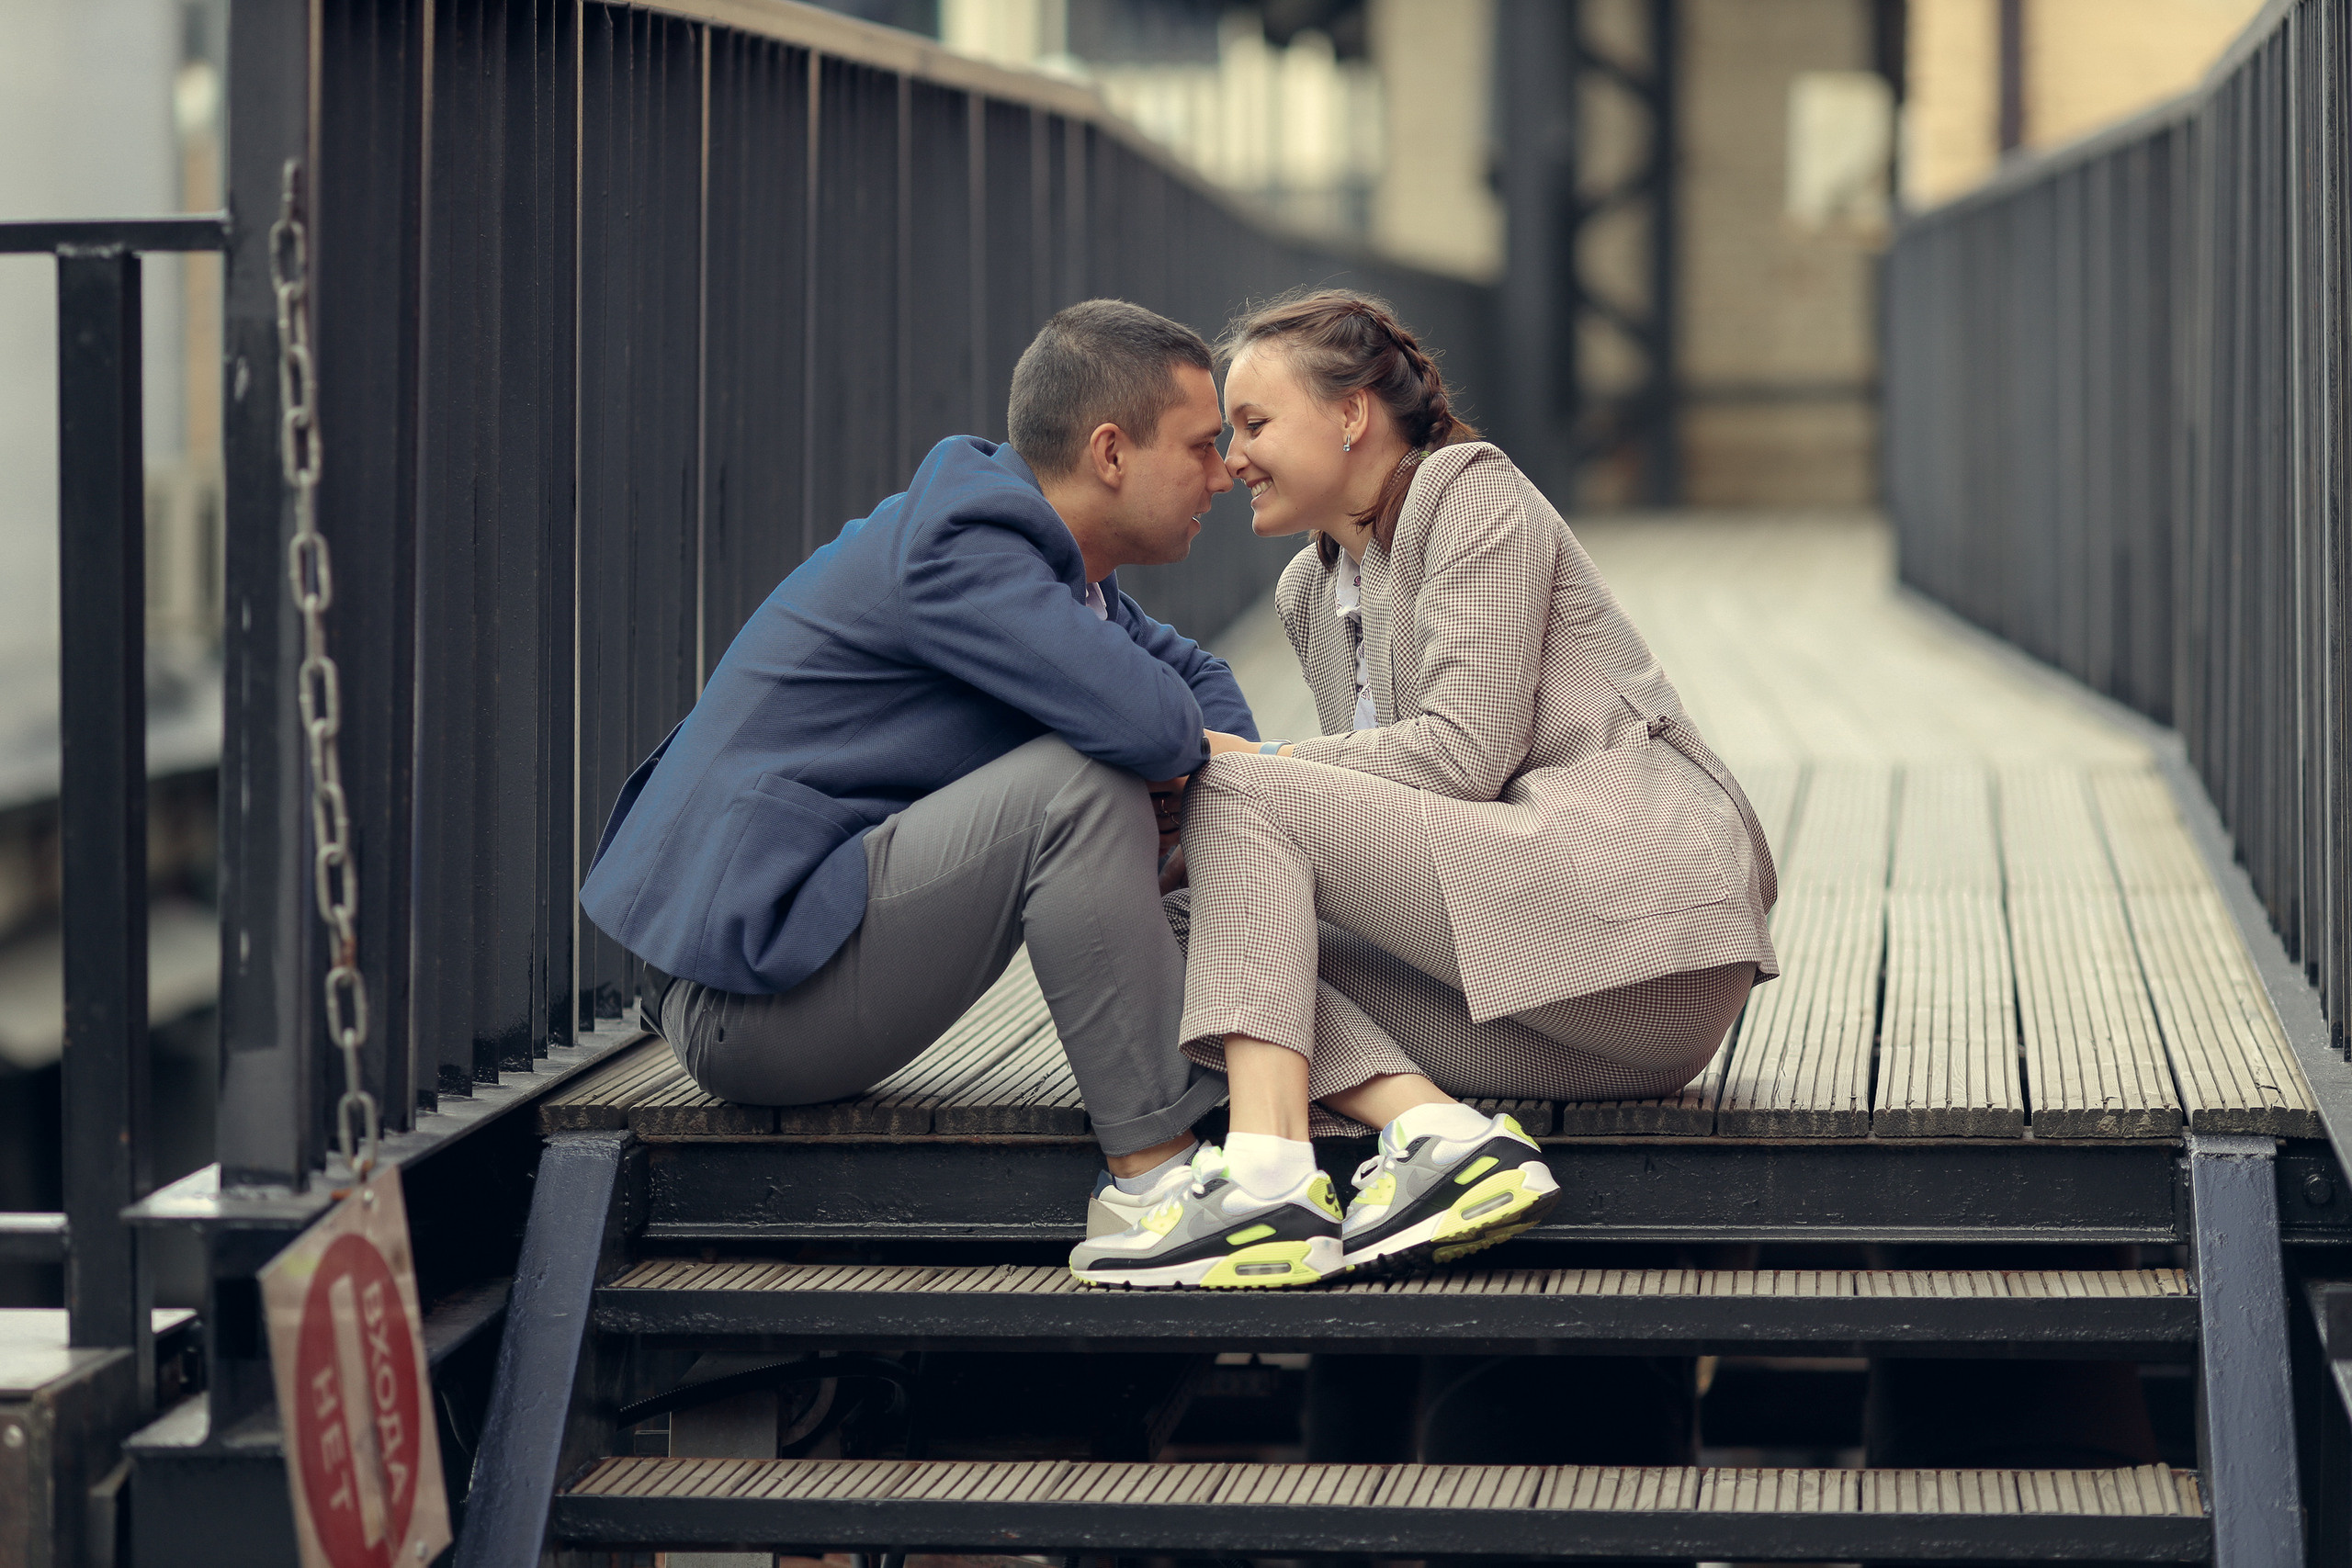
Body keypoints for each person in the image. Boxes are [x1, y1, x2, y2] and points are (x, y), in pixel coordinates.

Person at [1070, 289, 1781, 1289]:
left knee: (1234, 790)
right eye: (1228, 433)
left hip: (1643, 932)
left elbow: (1456, 760)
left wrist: (1228, 772)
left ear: (1353, 413)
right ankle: (1440, 1133)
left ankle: (1267, 1182)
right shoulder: (1311, 594)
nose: (1232, 458)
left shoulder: (1466, 490)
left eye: (1256, 423)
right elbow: (1362, 823)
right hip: (1555, 1018)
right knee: (1184, 925)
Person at [580, 299, 1252, 1231]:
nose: (1224, 475)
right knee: (1080, 785)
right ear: (1110, 453)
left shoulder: (1059, 572)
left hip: (807, 956)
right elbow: (1150, 725)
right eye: (1202, 446)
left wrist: (1205, 780)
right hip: (750, 1004)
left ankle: (1229, 1087)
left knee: (1126, 776)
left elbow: (1196, 679)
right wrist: (1188, 767)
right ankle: (1153, 1184)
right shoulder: (961, 554)